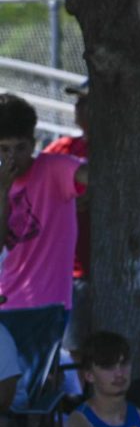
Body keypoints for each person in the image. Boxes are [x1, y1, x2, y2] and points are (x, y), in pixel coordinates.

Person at [0, 93, 87, 320]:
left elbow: (92, 175)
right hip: (6, 304)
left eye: (21, 148)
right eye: (4, 149)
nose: (13, 157)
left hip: (49, 306)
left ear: (34, 144)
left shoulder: (54, 169)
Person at [42, 78, 92, 354]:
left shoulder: (116, 153)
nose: (78, 107)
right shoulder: (62, 149)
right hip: (67, 270)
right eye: (77, 101)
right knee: (70, 351)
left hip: (100, 269)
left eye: (86, 102)